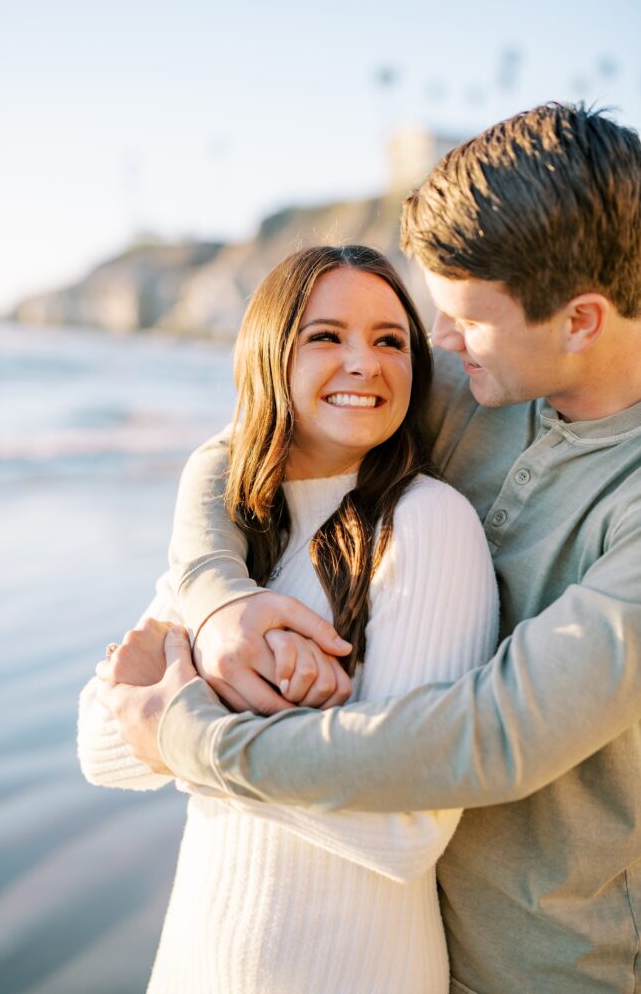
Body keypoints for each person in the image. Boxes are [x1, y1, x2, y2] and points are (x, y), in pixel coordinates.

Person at [97, 102, 641, 994]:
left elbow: (495, 734)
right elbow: (247, 441)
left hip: (549, 961)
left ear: (579, 320)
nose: (440, 343)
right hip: (396, 936)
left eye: (465, 317)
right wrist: (216, 596)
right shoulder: (476, 382)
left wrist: (194, 741)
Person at [79, 245, 498, 993]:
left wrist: (185, 726)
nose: (364, 363)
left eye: (389, 340)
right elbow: (99, 742)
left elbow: (406, 829)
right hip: (193, 965)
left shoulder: (428, 525)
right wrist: (197, 704)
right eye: (326, 336)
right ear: (271, 353)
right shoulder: (234, 531)